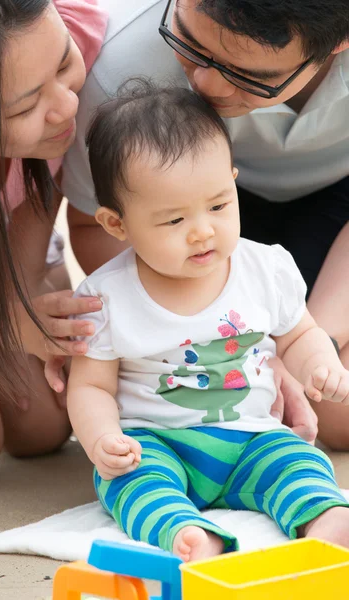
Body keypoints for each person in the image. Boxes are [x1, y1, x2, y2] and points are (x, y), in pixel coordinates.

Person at [67, 82, 349, 563]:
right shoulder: (105, 298)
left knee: (299, 462)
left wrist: (320, 363)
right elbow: (90, 386)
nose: (203, 231)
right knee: (128, 482)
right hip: (155, 444)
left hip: (253, 435)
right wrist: (101, 439)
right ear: (118, 225)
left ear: (233, 181)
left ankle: (325, 518)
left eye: (219, 205)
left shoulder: (265, 268)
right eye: (173, 220)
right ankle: (184, 532)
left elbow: (299, 334)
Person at [62, 0, 349, 450]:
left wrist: (296, 348)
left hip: (335, 203)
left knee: (337, 410)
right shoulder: (114, 67)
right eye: (189, 44)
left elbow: (306, 346)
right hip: (190, 213)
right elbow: (93, 226)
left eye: (250, 74)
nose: (205, 83)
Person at [0, 0, 107, 484]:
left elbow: (44, 195)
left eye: (64, 63)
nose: (67, 106)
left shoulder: (55, 30)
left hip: (1, 254)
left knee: (43, 425)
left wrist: (18, 302)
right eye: (24, 105)